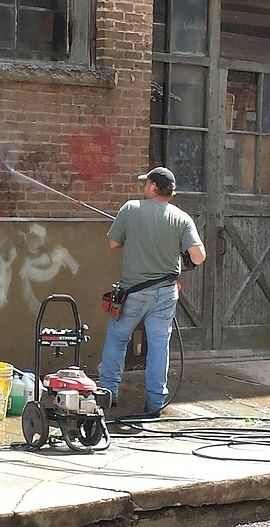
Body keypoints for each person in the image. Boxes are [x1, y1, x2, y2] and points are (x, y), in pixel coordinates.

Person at [99, 167, 206, 416]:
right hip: (166, 293)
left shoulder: (131, 209)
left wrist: (130, 234)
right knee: (159, 345)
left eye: (146, 184)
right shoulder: (182, 218)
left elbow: (113, 243)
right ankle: (156, 402)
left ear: (154, 187)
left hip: (133, 292)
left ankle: (108, 394)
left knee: (118, 338)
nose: (143, 188)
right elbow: (199, 257)